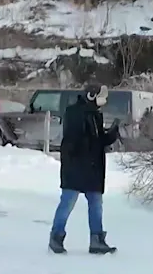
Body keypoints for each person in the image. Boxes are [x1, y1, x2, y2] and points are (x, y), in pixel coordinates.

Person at [48, 83, 120, 255]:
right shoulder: (75, 113)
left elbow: (97, 139)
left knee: (96, 204)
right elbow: (75, 141)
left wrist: (111, 134)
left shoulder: (95, 114)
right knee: (67, 202)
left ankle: (97, 239)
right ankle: (56, 237)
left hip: (92, 168)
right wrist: (88, 147)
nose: (104, 100)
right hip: (76, 167)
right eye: (101, 96)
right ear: (91, 95)